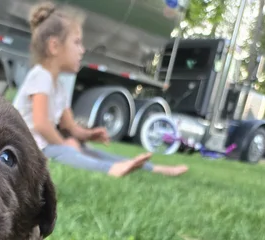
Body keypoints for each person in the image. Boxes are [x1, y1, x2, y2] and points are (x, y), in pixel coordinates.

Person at [13, 2, 188, 178]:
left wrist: (89, 134)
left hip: (48, 146)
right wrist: (64, 144)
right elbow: (41, 124)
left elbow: (71, 127)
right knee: (69, 152)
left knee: (85, 149)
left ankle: (150, 168)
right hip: (30, 148)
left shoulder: (58, 85)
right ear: (54, 46)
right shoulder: (41, 76)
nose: (82, 50)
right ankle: (111, 169)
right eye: (77, 42)